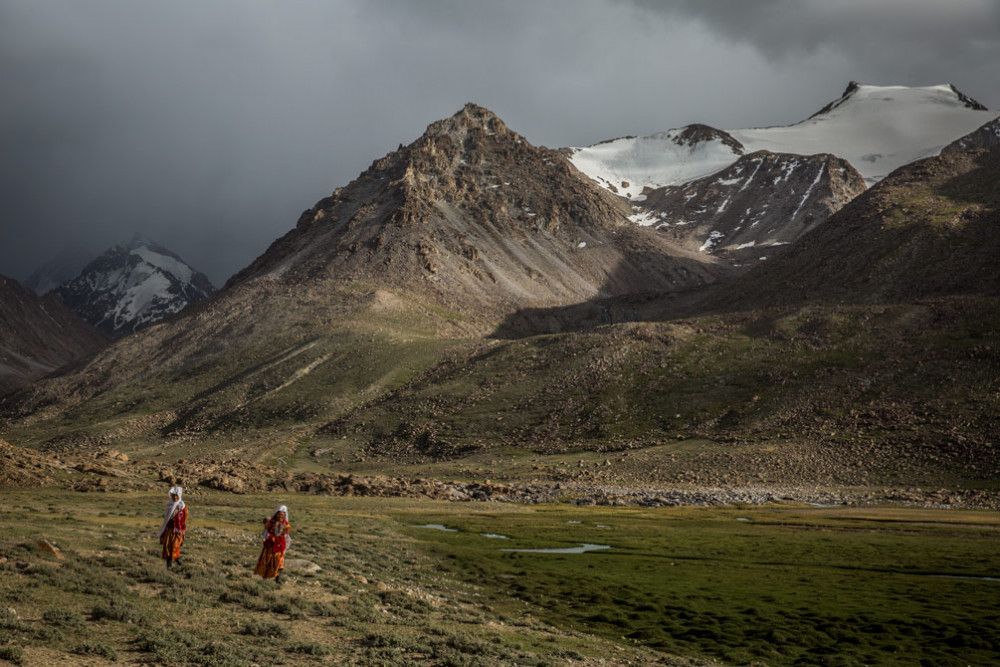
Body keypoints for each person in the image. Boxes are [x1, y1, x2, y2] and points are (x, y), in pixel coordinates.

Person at [255, 505, 291, 584]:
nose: (281, 516)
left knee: (280, 562)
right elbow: (267, 531)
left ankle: (278, 579)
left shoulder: (286, 524)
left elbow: (286, 535)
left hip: (280, 545)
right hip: (270, 545)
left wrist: (284, 544)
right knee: (267, 561)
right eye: (279, 514)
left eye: (283, 515)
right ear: (277, 514)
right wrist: (270, 537)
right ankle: (265, 577)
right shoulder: (271, 522)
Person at [158, 486, 188, 569]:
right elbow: (166, 518)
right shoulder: (169, 505)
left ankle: (177, 560)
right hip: (169, 530)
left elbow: (184, 518)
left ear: (179, 495)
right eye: (173, 495)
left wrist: (181, 528)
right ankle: (169, 565)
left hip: (177, 531)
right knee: (167, 546)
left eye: (176, 495)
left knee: (175, 546)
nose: (175, 497)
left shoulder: (182, 506)